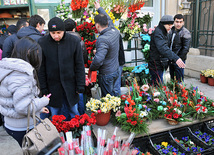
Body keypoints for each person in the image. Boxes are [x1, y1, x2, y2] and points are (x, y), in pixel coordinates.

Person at [0, 36, 50, 147]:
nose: (37, 56)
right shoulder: (22, 75)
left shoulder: (8, 68)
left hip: (11, 123)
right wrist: (43, 101)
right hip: (23, 126)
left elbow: (16, 100)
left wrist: (39, 109)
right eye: (36, 52)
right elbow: (23, 108)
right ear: (28, 52)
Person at [38, 17, 85, 120]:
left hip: (71, 85)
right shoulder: (42, 43)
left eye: (59, 32)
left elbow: (79, 64)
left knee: (74, 112)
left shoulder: (73, 41)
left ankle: (75, 133)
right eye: (53, 33)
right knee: (55, 114)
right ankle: (58, 135)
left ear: (64, 31)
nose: (56, 36)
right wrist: (43, 88)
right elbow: (41, 68)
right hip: (52, 86)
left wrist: (80, 84)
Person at [90, 2, 120, 97]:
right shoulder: (114, 30)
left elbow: (98, 60)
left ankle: (111, 112)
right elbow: (109, 18)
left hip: (107, 74)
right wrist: (99, 8)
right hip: (115, 70)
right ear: (107, 23)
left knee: (108, 100)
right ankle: (117, 111)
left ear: (97, 25)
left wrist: (91, 68)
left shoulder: (102, 39)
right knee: (114, 96)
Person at [148, 15, 186, 86]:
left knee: (158, 85)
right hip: (156, 64)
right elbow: (163, 48)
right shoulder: (158, 33)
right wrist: (176, 58)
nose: (170, 26)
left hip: (161, 63)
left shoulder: (164, 31)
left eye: (171, 24)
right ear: (163, 24)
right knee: (157, 86)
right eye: (168, 24)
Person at [64, 18, 87, 115]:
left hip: (65, 75)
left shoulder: (61, 42)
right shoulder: (80, 41)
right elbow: (84, 59)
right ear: (74, 29)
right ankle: (81, 116)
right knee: (79, 95)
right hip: (78, 74)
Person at [169, 14, 191, 82]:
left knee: (179, 80)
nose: (178, 24)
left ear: (183, 22)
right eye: (177, 21)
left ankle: (180, 92)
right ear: (174, 22)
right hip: (171, 58)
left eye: (180, 22)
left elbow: (186, 48)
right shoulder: (171, 30)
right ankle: (173, 92)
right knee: (172, 78)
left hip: (179, 60)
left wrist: (178, 59)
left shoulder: (185, 32)